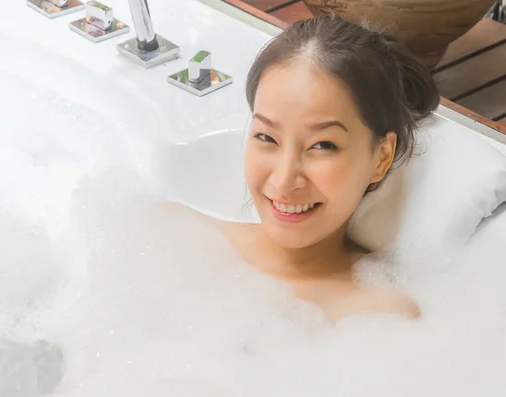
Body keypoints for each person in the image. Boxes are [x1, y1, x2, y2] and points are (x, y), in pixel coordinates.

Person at [172, 14, 440, 322]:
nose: (284, 180)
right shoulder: (174, 237)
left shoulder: (379, 317)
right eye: (266, 136)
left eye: (323, 145)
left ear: (381, 158)